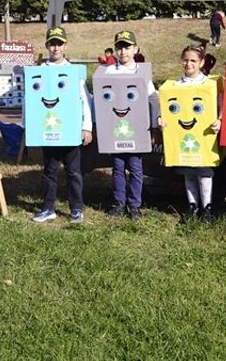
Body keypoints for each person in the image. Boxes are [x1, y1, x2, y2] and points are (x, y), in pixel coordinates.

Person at [31, 27, 93, 224]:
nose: (55, 47)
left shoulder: (74, 72)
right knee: (49, 171)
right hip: (48, 131)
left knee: (73, 171)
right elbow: (32, 101)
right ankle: (48, 207)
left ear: (65, 45)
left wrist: (87, 127)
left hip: (71, 131)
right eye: (52, 43)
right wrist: (29, 127)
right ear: (47, 45)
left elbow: (85, 100)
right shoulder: (39, 72)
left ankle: (76, 208)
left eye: (59, 43)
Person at [102, 30, 159, 220]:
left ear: (135, 49)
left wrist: (153, 126)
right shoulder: (109, 70)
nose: (123, 51)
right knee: (118, 167)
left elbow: (153, 98)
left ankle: (134, 205)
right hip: (115, 130)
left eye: (127, 47)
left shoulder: (141, 71)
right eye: (119, 47)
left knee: (135, 167)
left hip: (137, 129)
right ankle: (119, 203)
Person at [167, 45, 221, 223]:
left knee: (204, 173)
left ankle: (207, 207)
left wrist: (220, 120)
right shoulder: (175, 85)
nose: (188, 64)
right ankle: (192, 205)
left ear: (202, 62)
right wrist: (162, 119)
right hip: (184, 137)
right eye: (186, 60)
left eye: (193, 60)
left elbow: (222, 105)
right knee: (188, 172)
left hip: (205, 137)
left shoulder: (209, 84)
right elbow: (167, 107)